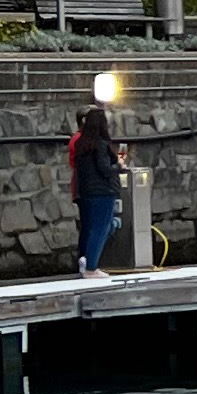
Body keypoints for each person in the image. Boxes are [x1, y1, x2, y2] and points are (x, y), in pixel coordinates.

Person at [69, 105, 126, 274]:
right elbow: (105, 169)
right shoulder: (100, 144)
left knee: (96, 227)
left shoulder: (80, 143)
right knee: (100, 228)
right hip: (102, 191)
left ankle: (87, 260)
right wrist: (119, 165)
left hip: (86, 191)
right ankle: (91, 267)